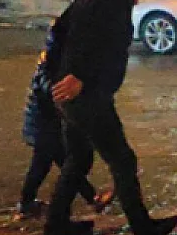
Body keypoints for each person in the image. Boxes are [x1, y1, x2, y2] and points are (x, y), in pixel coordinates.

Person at [45, 0, 177, 235]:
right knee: (123, 161)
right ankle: (143, 231)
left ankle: (55, 225)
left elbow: (57, 34)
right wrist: (77, 75)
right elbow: (98, 46)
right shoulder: (114, 2)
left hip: (72, 94)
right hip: (88, 95)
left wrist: (56, 76)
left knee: (78, 159)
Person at [18, 18, 113, 219]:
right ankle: (91, 199)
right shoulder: (51, 61)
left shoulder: (59, 58)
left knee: (49, 163)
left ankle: (27, 203)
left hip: (47, 122)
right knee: (61, 162)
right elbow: (47, 86)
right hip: (43, 123)